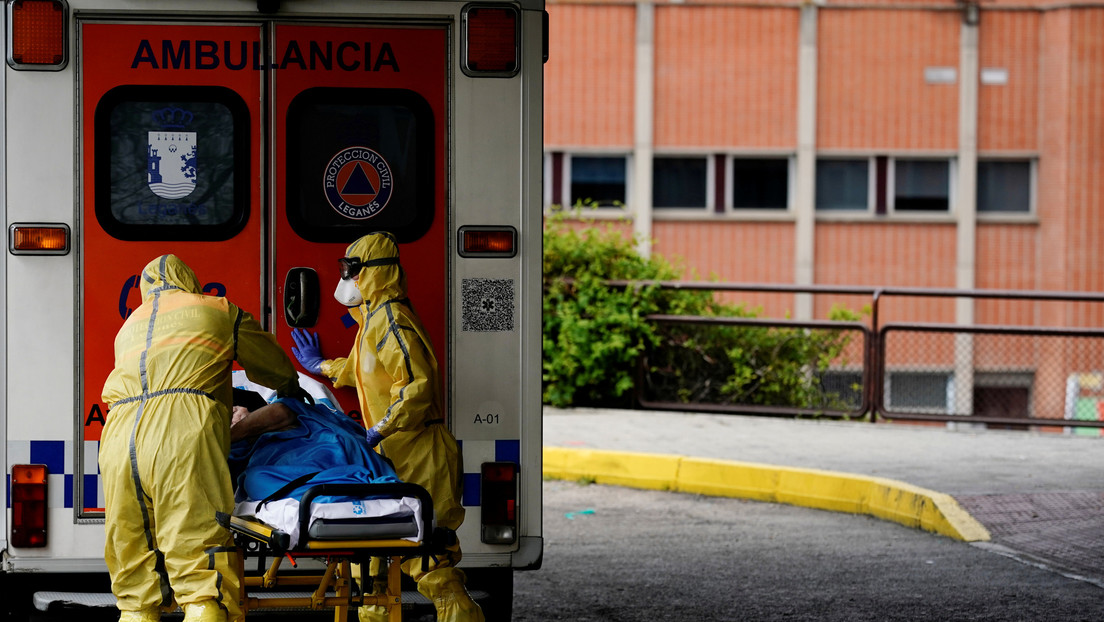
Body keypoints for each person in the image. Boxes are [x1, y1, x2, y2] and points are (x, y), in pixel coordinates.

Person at [291, 232, 485, 622]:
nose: (347, 277)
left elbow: (417, 387)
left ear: (375, 272)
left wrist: (380, 428)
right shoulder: (374, 321)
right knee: (372, 566)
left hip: (421, 453)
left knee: (431, 564)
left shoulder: (393, 320)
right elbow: (364, 371)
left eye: (352, 269)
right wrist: (322, 366)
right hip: (394, 453)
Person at [100, 254, 301, 622]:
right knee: (199, 567)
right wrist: (290, 390)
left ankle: (137, 611)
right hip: (180, 432)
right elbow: (272, 366)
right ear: (188, 282)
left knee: (133, 571)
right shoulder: (217, 309)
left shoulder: (129, 325)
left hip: (117, 438)